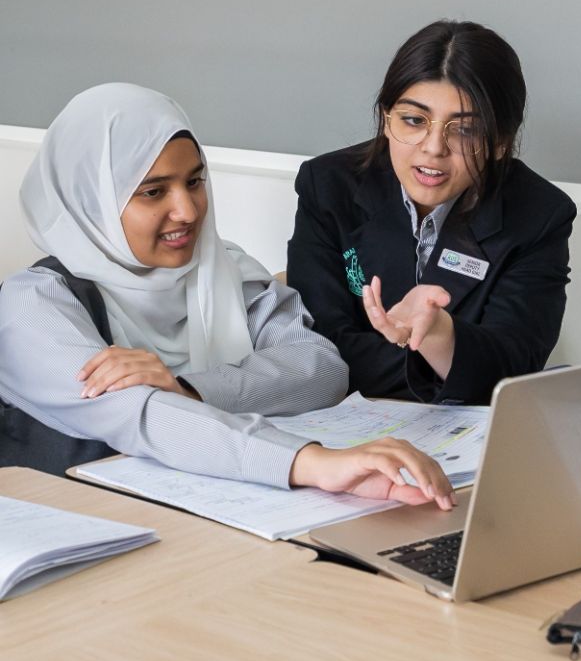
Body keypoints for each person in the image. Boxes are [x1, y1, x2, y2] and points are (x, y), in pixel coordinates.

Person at [0, 83, 454, 509]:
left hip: (216, 519)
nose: (188, 209)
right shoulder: (35, 307)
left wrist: (187, 387)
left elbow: (320, 369)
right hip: (86, 545)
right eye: (154, 191)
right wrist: (313, 463)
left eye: (194, 182)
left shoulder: (225, 271)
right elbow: (140, 414)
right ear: (89, 198)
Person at [287, 20, 576, 405]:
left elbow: (515, 365)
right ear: (386, 118)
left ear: (500, 143)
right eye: (414, 120)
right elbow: (317, 344)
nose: (433, 148)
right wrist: (445, 363)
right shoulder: (327, 185)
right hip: (341, 420)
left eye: (465, 130)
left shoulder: (538, 214)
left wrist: (441, 334)